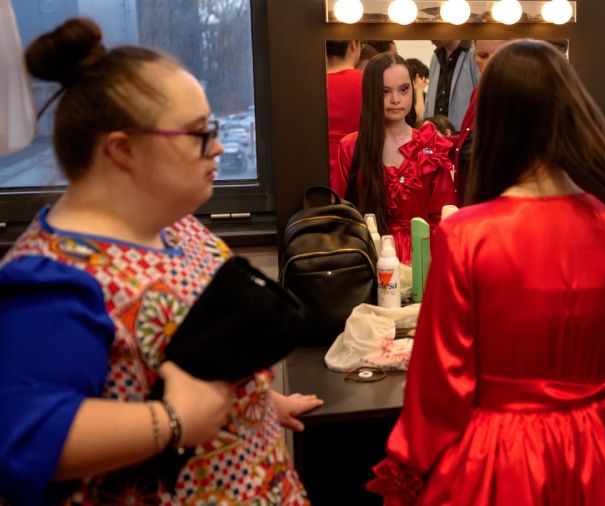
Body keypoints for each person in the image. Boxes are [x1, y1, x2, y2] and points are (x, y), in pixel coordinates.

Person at [366, 39, 605, 506]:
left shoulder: (466, 237)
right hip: (602, 450)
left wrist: (407, 466)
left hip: (501, 456)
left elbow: (440, 389)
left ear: (493, 122)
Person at [0, 18, 322, 504]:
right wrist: (172, 421)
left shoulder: (178, 227)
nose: (217, 146)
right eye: (197, 133)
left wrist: (252, 402)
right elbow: (21, 438)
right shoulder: (54, 276)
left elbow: (176, 357)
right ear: (122, 149)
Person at [334, 53, 456, 264]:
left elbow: (444, 216)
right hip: (369, 260)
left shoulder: (431, 146)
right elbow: (342, 217)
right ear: (371, 93)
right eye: (385, 92)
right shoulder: (351, 147)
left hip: (424, 259)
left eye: (404, 89)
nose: (396, 100)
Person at [451, 39, 509, 205]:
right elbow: (471, 141)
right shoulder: (480, 91)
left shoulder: (522, 95)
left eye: (499, 56)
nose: (490, 64)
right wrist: (434, 142)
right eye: (482, 55)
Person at [326, 40, 363, 192]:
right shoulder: (367, 81)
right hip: (356, 175)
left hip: (317, 178)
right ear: (354, 44)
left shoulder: (311, 84)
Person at [424, 40, 480, 131]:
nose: (431, 39)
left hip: (465, 135)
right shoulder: (435, 57)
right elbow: (429, 99)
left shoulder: (474, 55)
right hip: (435, 134)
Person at [406, 58, 429, 126]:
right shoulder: (406, 95)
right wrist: (419, 90)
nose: (426, 82)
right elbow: (419, 119)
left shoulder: (425, 96)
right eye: (423, 78)